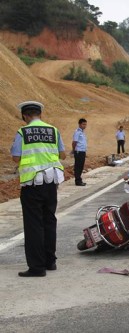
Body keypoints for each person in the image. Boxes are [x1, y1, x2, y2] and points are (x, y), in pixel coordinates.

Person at [10, 101, 66, 277]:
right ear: (40, 114)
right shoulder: (53, 130)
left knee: (34, 224)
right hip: (51, 182)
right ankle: (50, 261)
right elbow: (62, 154)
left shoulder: (23, 132)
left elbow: (16, 157)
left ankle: (37, 267)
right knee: (49, 220)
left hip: (32, 184)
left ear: (25, 116)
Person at [72, 118, 87, 186]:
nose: (85, 126)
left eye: (85, 124)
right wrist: (74, 150)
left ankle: (79, 179)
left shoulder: (82, 132)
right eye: (83, 124)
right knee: (78, 166)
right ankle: (78, 181)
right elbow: (74, 142)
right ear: (80, 124)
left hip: (82, 151)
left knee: (81, 166)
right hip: (78, 151)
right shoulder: (77, 132)